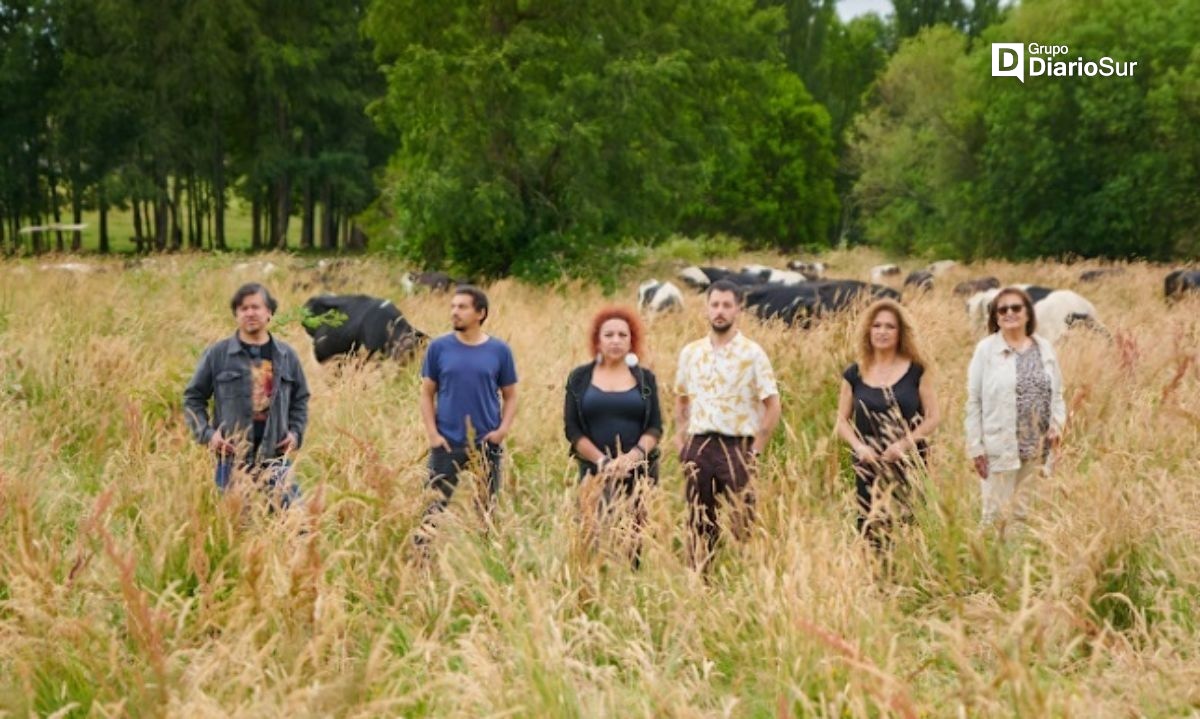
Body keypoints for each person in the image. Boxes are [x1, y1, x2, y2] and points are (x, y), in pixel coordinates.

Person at [674, 280, 781, 572]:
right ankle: (701, 583)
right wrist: (681, 441)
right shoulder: (691, 353)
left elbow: (772, 405)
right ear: (707, 309)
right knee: (699, 520)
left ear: (738, 310)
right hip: (699, 445)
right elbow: (681, 399)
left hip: (738, 446)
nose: (720, 311)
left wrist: (756, 450)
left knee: (743, 521)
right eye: (715, 305)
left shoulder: (753, 353)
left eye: (726, 305)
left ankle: (744, 580)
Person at [183, 283, 309, 510]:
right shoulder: (218, 355)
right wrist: (208, 435)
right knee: (239, 530)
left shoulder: (286, 355)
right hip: (232, 459)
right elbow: (193, 398)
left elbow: (300, 399)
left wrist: (295, 433)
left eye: (256, 307)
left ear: (269, 312)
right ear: (236, 315)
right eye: (243, 308)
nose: (250, 313)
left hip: (275, 457)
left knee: (297, 524)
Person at [415, 285, 518, 546]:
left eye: (462, 307)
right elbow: (427, 393)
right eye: (453, 307)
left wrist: (501, 431)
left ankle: (486, 563)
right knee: (432, 511)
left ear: (480, 313)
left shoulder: (499, 351)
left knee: (486, 512)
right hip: (447, 442)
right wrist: (433, 435)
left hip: (487, 443)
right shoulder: (438, 348)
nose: (454, 312)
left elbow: (511, 395)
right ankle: (421, 568)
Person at [835, 299, 940, 549]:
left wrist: (904, 445)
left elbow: (933, 417)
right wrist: (859, 447)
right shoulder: (854, 373)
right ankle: (874, 581)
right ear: (868, 330)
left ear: (900, 332)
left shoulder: (917, 371)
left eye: (890, 327)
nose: (882, 332)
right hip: (868, 463)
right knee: (871, 528)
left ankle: (908, 579)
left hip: (908, 462)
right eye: (877, 326)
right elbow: (841, 420)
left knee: (908, 525)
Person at [563, 306, 663, 566]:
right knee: (592, 540)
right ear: (597, 339)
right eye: (609, 335)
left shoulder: (645, 378)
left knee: (632, 545)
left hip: (639, 473)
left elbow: (655, 427)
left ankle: (631, 595)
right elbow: (572, 430)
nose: (616, 340)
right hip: (594, 473)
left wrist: (633, 457)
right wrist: (604, 463)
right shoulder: (579, 378)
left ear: (632, 340)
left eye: (622, 335)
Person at [965, 286, 1066, 534]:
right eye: (1002, 309)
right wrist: (976, 446)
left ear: (1028, 313)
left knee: (1022, 515)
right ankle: (985, 568)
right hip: (1000, 444)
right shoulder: (986, 350)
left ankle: (1014, 568)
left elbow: (1058, 393)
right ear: (996, 317)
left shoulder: (1044, 348)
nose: (1009, 313)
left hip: (1036, 445)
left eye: (1016, 308)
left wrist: (1057, 426)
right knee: (993, 515)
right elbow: (973, 401)